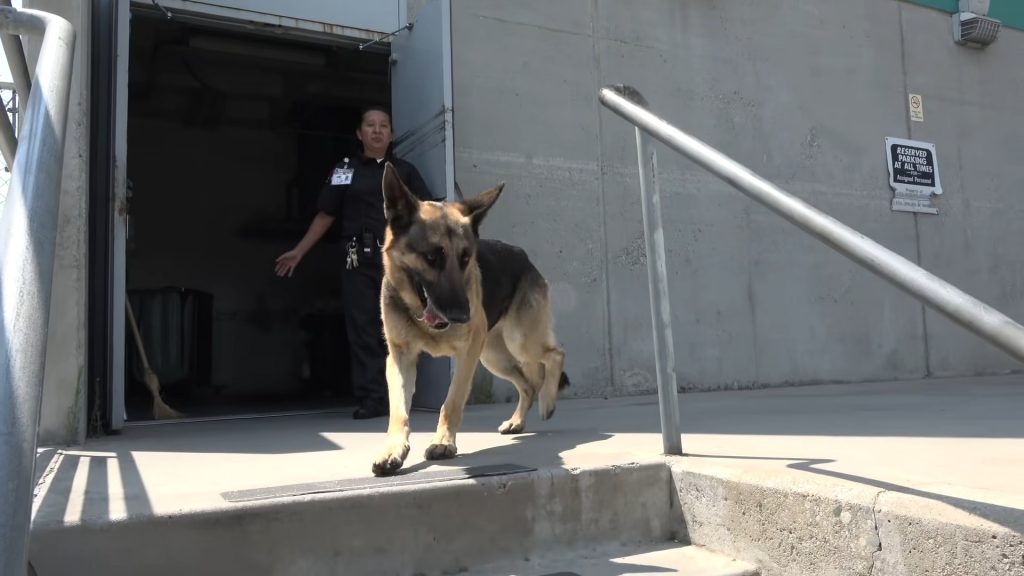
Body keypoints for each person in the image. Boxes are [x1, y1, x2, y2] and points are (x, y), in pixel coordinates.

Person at [275, 105, 438, 419]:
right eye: (370, 125)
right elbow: (327, 214)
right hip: (358, 262)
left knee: (404, 327)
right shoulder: (345, 169)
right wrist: (299, 250)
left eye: (383, 125)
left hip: (398, 264)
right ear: (359, 133)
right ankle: (372, 399)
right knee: (364, 329)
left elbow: (428, 213)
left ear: (391, 134)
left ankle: (402, 395)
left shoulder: (404, 171)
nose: (377, 130)